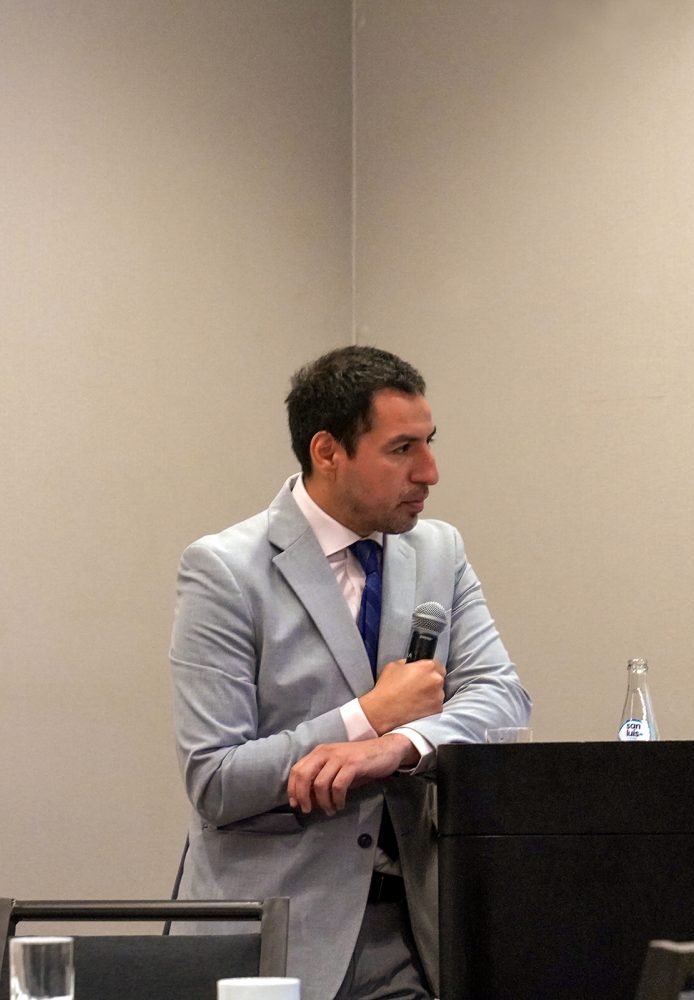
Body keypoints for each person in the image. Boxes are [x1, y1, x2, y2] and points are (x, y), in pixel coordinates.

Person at [168, 345, 531, 1000]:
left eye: (429, 443)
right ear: (327, 451)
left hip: (409, 936)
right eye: (401, 449)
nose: (429, 472)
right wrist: (369, 715)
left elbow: (502, 699)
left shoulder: (439, 550)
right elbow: (215, 779)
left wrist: (398, 744)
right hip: (269, 940)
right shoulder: (224, 570)